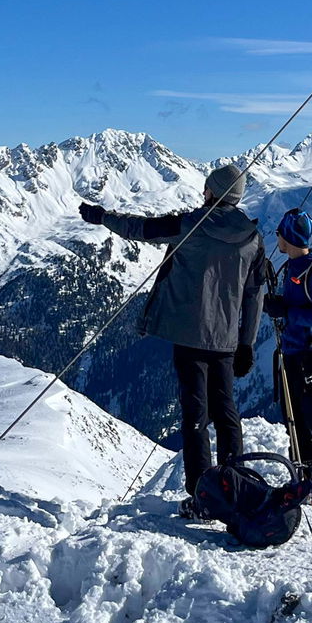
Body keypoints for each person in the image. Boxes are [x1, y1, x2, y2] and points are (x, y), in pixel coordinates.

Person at [78, 164, 270, 518]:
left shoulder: (191, 224)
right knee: (226, 412)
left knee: (195, 415)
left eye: (206, 190)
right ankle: (237, 482)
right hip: (227, 340)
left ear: (213, 192)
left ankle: (203, 495)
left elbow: (142, 228)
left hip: (189, 334)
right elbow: (255, 294)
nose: (203, 194)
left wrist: (103, 216)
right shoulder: (253, 238)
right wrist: (246, 343)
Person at [264, 207, 312, 506]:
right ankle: (305, 476)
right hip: (293, 351)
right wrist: (280, 305)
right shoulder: (292, 268)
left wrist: (285, 311)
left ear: (289, 236)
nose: (277, 238)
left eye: (280, 233)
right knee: (293, 416)